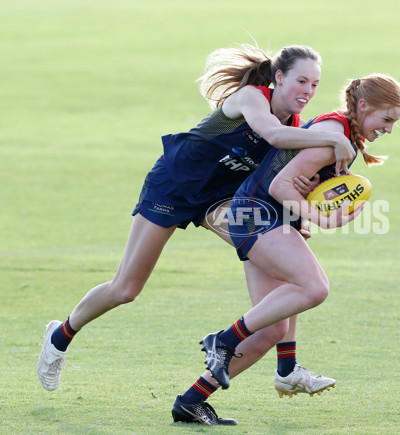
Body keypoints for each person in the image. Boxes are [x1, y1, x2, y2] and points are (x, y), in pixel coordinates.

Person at [37, 43, 356, 410]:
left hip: (220, 201)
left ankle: (287, 368)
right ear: (279, 77)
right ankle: (60, 336)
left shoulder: (298, 128)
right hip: (173, 185)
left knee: (286, 260)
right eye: (301, 81)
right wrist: (333, 136)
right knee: (126, 288)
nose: (308, 92)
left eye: (315, 85)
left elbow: (277, 178)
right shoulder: (251, 97)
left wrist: (295, 217)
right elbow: (271, 135)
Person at [183, 74, 400, 424]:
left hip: (267, 216)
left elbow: (294, 181)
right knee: (313, 287)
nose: (390, 129)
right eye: (387, 119)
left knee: (272, 326)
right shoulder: (333, 137)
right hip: (257, 216)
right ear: (363, 106)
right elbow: (279, 184)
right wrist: (319, 219)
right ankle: (223, 341)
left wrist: (304, 209)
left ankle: (193, 399)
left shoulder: (341, 135)